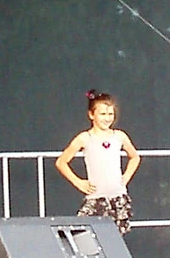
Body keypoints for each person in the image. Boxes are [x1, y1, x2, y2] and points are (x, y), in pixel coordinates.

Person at [55, 89, 141, 235]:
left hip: (117, 197)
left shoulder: (119, 136)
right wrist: (78, 182)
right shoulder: (84, 138)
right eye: (102, 114)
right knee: (85, 234)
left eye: (110, 114)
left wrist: (126, 177)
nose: (107, 118)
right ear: (91, 115)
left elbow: (135, 157)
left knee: (114, 238)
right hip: (96, 197)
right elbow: (61, 162)